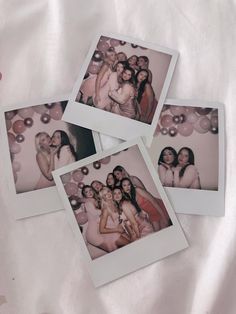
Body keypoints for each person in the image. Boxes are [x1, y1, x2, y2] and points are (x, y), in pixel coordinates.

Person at [81, 185, 124, 253]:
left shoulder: (94, 201)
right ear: (84, 194)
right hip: (93, 234)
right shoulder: (88, 203)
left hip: (98, 231)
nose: (89, 193)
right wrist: (106, 208)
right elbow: (96, 213)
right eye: (86, 192)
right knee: (113, 250)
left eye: (90, 190)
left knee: (115, 248)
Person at [98, 187, 131, 251]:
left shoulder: (114, 203)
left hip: (117, 229)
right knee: (131, 245)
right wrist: (117, 229)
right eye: (105, 195)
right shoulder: (105, 209)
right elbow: (101, 230)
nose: (108, 194)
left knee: (132, 241)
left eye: (108, 191)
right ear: (103, 198)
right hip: (110, 233)